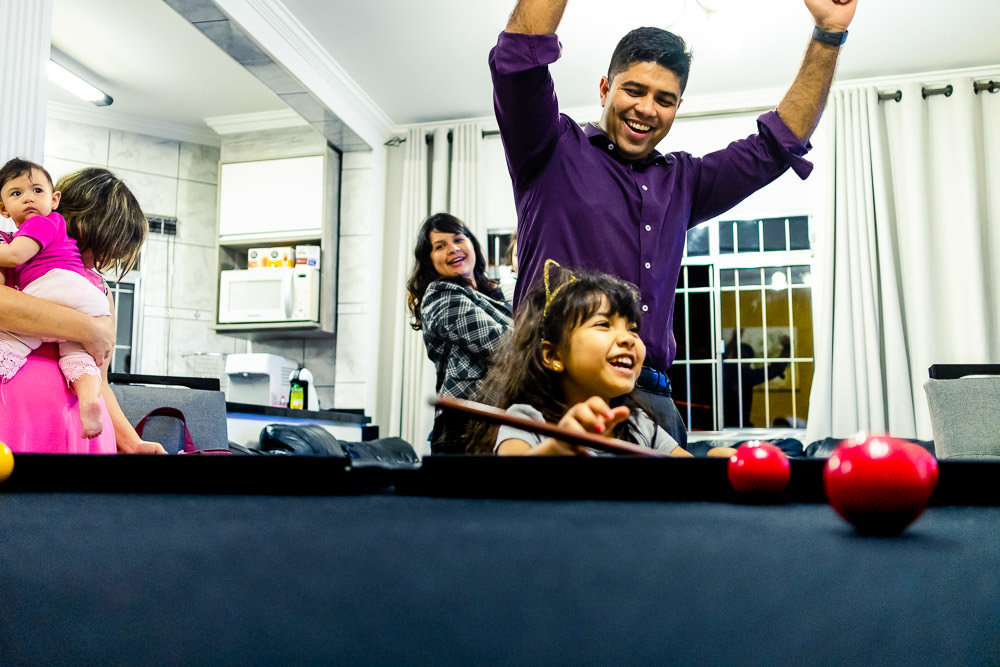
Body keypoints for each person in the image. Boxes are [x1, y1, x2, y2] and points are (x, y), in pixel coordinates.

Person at [490, 0, 858, 450]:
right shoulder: (548, 149)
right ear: (605, 87)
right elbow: (518, 61)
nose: (647, 108)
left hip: (655, 407)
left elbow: (777, 146)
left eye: (664, 100)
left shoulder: (684, 181)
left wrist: (828, 32)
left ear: (678, 106)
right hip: (559, 393)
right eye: (634, 90)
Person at [470, 261, 735, 457]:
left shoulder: (638, 424)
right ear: (553, 355)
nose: (629, 339)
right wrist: (557, 449)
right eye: (603, 325)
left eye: (632, 329)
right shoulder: (527, 419)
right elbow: (507, 483)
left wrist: (714, 466)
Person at [0, 165, 164, 454]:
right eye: (93, 247)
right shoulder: (7, 250)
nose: (93, 262)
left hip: (78, 435)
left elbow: (101, 382)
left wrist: (133, 444)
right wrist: (89, 328)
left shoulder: (98, 289)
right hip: (12, 424)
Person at [406, 212, 512, 454]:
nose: (453, 249)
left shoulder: (498, 294)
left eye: (458, 239)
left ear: (472, 243)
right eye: (440, 246)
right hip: (463, 431)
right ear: (429, 260)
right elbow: (501, 344)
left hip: (503, 424)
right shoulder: (440, 295)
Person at [722, 330, 792, 428]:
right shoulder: (747, 375)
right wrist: (787, 347)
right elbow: (776, 368)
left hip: (720, 423)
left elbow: (721, 357)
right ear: (749, 360)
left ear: (734, 356)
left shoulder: (722, 370)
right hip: (740, 426)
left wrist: (734, 339)